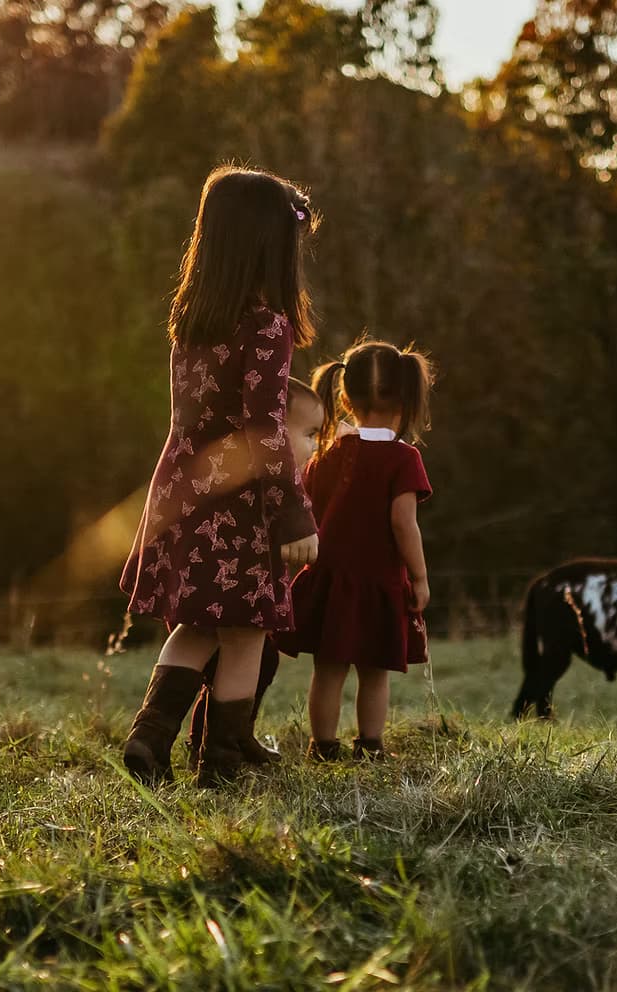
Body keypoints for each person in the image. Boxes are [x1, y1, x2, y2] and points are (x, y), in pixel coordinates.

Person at [118, 166, 322, 787]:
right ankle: (223, 759)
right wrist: (293, 513)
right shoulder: (267, 326)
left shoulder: (190, 320)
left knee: (196, 621)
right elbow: (265, 429)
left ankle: (150, 739)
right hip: (240, 501)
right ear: (271, 248)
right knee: (244, 630)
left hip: (183, 486)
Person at [289, 340, 434, 760]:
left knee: (328, 670)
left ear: (346, 398)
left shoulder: (327, 454)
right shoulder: (403, 458)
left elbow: (309, 508)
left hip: (331, 578)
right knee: (374, 672)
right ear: (406, 397)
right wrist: (420, 577)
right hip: (379, 582)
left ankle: (323, 746)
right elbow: (403, 522)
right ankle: (370, 746)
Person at [183, 377, 327, 769]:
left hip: (227, 593)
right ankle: (212, 751)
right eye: (310, 434)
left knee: (261, 658)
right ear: (276, 434)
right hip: (234, 597)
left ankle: (233, 738)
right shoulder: (270, 483)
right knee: (236, 656)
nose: (315, 445)